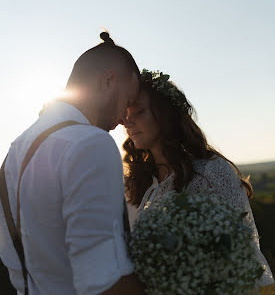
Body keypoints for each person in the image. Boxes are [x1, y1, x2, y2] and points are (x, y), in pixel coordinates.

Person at [0, 32, 145, 295]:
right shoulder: (90, 143)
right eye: (128, 101)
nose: (126, 116)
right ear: (108, 80)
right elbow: (104, 283)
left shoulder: (14, 151)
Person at [122, 69, 274, 289]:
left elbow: (243, 246)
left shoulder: (211, 172)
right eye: (126, 114)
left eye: (139, 112)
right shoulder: (136, 183)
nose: (128, 121)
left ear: (165, 115)